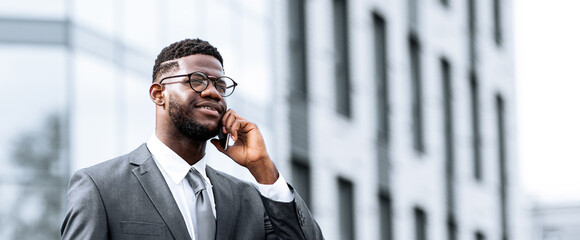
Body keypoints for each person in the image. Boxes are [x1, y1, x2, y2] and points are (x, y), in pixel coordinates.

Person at [61, 38, 324, 240]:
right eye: (197, 81)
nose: (213, 93)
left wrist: (264, 169)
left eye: (220, 85)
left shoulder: (250, 199)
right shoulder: (101, 187)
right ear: (158, 94)